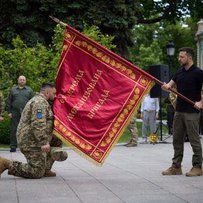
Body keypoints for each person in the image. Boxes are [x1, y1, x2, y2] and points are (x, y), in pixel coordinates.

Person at [0, 83, 68, 178]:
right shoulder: (39, 103)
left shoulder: (43, 102)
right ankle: (6, 164)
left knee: (57, 139)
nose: (55, 95)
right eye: (54, 93)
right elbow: (38, 124)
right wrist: (44, 142)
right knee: (36, 172)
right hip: (29, 141)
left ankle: (45, 169)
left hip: (35, 139)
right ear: (47, 92)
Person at [162, 47, 203, 177]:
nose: (179, 59)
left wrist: (201, 103)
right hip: (179, 111)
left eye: (182, 57)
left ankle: (197, 167)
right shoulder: (179, 72)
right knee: (177, 139)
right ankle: (176, 166)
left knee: (194, 140)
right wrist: (166, 86)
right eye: (179, 56)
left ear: (189, 57)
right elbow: (170, 85)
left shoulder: (198, 72)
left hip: (192, 112)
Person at [6, 75, 33, 152]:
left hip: (26, 113)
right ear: (18, 80)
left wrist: (31, 112)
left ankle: (25, 146)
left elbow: (33, 102)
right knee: (14, 129)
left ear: (25, 81)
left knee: (26, 129)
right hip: (14, 113)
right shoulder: (13, 90)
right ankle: (13, 146)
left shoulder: (29, 90)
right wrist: (9, 112)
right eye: (20, 79)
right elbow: (9, 101)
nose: (22, 81)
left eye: (23, 80)